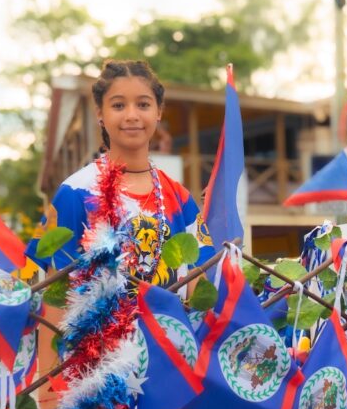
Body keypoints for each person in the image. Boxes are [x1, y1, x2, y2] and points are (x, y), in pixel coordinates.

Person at [26, 59, 213, 286]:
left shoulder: (178, 197)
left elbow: (201, 283)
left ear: (159, 112)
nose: (131, 115)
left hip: (170, 322)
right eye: (118, 105)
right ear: (100, 114)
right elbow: (54, 293)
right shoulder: (76, 192)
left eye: (143, 105)